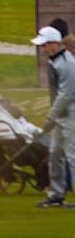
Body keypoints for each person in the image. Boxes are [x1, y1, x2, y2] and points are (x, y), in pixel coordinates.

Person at [31, 25, 75, 208]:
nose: (42, 49)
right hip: (61, 115)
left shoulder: (67, 63)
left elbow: (66, 95)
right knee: (55, 152)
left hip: (72, 113)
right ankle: (56, 194)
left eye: (44, 45)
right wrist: (54, 117)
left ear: (54, 44)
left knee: (72, 155)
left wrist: (50, 118)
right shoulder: (54, 60)